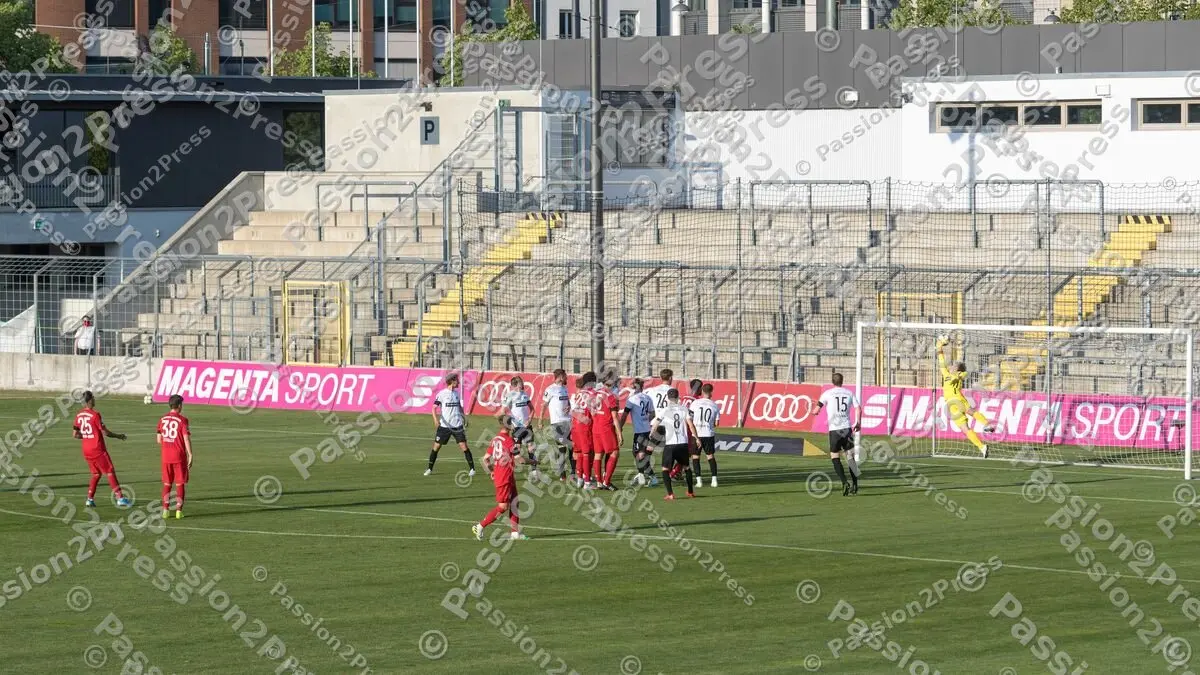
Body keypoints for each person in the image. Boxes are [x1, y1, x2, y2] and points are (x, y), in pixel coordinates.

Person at [936, 337, 995, 458]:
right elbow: (941, 359)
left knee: (970, 411)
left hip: (957, 398)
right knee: (964, 428)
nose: (951, 366)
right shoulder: (946, 374)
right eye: (952, 365)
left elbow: (965, 373)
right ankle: (982, 447)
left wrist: (958, 375)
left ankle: (987, 424)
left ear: (958, 369)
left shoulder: (959, 374)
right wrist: (939, 346)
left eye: (954, 366)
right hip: (950, 405)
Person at [73, 391, 129, 508]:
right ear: (89, 400)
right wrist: (118, 436)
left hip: (86, 450)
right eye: (93, 398)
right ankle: (120, 498)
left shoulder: (78, 415)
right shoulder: (95, 415)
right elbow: (105, 432)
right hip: (97, 449)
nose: (94, 399)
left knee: (96, 474)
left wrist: (87, 436)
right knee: (109, 471)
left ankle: (89, 499)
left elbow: (75, 434)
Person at [472, 423, 527, 541]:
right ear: (509, 426)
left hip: (506, 476)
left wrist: (492, 470)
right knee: (503, 506)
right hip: (504, 477)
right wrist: (533, 462)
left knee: (515, 502)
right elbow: (520, 460)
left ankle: (515, 534)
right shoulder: (509, 440)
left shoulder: (496, 438)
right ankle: (480, 526)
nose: (514, 427)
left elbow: (486, 458)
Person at [815, 373, 860, 496]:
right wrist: (858, 423)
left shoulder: (827, 393)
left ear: (832, 381)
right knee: (850, 458)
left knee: (835, 456)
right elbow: (858, 408)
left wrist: (813, 411)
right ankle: (855, 484)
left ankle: (844, 482)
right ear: (842, 381)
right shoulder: (849, 393)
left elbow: (816, 409)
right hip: (846, 429)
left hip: (834, 430)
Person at [425, 373, 476, 476]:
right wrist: (435, 420)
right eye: (457, 380)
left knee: (464, 446)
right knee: (436, 447)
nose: (459, 382)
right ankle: (429, 469)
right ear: (452, 381)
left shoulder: (456, 393)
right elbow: (434, 408)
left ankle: (472, 469)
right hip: (444, 426)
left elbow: (459, 407)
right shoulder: (442, 394)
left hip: (457, 426)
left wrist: (464, 418)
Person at [651, 388, 697, 500]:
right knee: (686, 467)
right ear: (678, 397)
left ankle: (670, 494)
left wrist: (651, 433)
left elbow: (656, 424)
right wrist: (696, 437)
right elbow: (690, 425)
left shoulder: (665, 410)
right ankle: (690, 492)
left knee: (665, 469)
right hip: (683, 443)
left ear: (667, 398)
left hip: (670, 444)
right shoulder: (684, 409)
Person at [156, 394, 193, 519]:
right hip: (179, 456)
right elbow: (186, 439)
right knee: (179, 484)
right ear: (180, 405)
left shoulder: (162, 419)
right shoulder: (183, 420)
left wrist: (168, 442)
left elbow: (158, 439)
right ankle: (178, 511)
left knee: (167, 484)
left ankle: (165, 511)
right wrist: (190, 454)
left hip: (166, 456)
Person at [499, 375, 539, 481]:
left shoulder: (525, 395)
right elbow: (503, 411)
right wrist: (510, 425)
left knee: (531, 448)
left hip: (527, 427)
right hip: (516, 428)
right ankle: (508, 471)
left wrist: (529, 420)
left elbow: (532, 409)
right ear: (516, 385)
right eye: (521, 382)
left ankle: (534, 472)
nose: (523, 384)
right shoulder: (510, 395)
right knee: (516, 451)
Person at [620, 378, 658, 486]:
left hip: (639, 431)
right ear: (642, 387)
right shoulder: (647, 398)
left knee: (639, 454)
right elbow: (653, 414)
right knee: (639, 453)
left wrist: (620, 427)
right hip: (647, 430)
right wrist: (645, 421)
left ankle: (648, 476)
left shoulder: (632, 399)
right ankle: (643, 475)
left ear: (633, 387)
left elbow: (624, 415)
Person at [538, 368, 574, 480]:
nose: (567, 378)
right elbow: (544, 405)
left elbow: (567, 402)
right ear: (561, 377)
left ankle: (574, 474)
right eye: (565, 376)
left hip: (568, 422)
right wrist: (540, 420)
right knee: (562, 449)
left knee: (573, 448)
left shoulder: (564, 389)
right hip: (557, 423)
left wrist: (569, 406)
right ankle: (563, 475)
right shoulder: (550, 389)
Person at [591, 372, 623, 490]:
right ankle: (607, 482)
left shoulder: (595, 393)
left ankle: (599, 482)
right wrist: (619, 434)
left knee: (598, 454)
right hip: (606, 428)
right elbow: (615, 417)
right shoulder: (610, 396)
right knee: (615, 452)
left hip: (596, 428)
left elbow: (591, 410)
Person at [688, 383, 721, 488]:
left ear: (702, 391)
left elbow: (689, 419)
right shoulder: (714, 405)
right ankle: (714, 480)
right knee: (710, 456)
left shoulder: (695, 403)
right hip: (708, 434)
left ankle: (699, 481)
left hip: (696, 434)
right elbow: (717, 423)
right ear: (711, 392)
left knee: (695, 457)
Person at [569, 372, 597, 488]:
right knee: (586, 453)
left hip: (575, 426)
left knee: (579, 452)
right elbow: (594, 412)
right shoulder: (592, 394)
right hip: (584, 428)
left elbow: (572, 411)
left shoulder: (579, 394)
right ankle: (587, 482)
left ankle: (580, 478)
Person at [680, 378, 704, 485]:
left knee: (683, 450)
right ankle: (675, 472)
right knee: (689, 452)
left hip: (679, 425)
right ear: (698, 388)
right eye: (700, 388)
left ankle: (678, 472)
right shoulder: (697, 400)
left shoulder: (684, 397)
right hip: (689, 426)